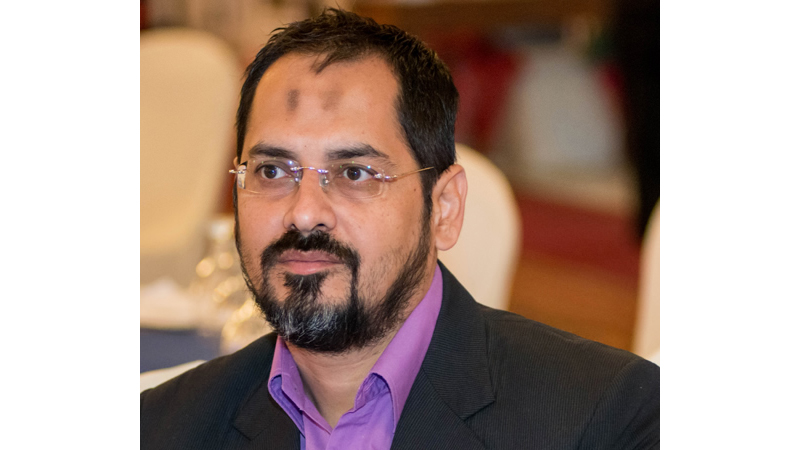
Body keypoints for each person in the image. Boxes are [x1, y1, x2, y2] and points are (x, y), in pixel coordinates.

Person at [140, 8, 659, 449]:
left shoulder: (604, 419)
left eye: (354, 173)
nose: (304, 212)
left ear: (444, 208)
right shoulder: (163, 426)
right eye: (273, 171)